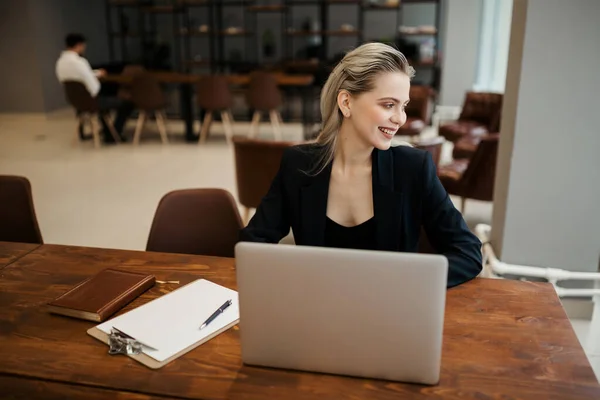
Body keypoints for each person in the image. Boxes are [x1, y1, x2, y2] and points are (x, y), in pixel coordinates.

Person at [239, 43, 482, 288]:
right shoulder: (299, 164)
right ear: (346, 102)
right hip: (318, 310)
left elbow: (468, 252)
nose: (401, 118)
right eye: (389, 105)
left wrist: (407, 282)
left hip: (389, 312)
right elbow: (252, 244)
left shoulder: (413, 168)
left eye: (403, 106)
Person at [56, 33, 134, 143]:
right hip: (91, 101)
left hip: (75, 101)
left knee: (102, 103)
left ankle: (108, 132)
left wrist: (96, 73)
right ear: (79, 45)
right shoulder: (80, 62)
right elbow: (95, 88)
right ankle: (113, 134)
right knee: (126, 103)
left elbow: (79, 77)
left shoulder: (60, 62)